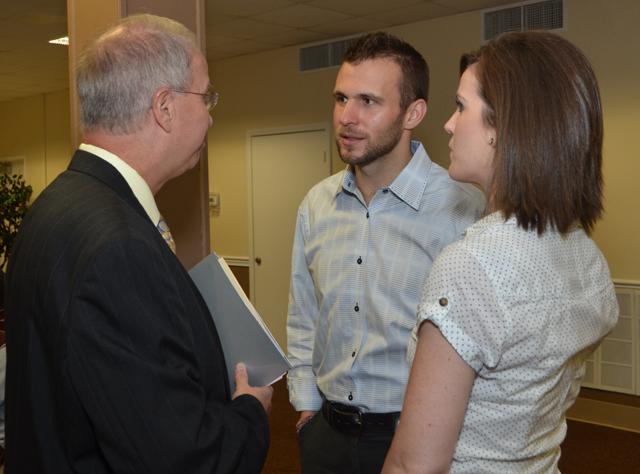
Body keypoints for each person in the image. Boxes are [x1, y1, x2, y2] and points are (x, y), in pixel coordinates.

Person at [5, 14, 272, 474]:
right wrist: (250, 410)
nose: (210, 114)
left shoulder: (55, 205)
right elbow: (180, 458)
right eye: (206, 96)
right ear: (164, 107)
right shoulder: (120, 248)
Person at [382, 31, 619, 474]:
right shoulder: (587, 258)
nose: (449, 124)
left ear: (502, 128)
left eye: (460, 106)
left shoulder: (472, 267)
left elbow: (415, 464)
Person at [286, 32, 485, 474]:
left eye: (368, 102)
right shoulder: (316, 205)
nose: (347, 117)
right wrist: (305, 406)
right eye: (341, 98)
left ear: (413, 112)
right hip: (326, 434)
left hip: (415, 440)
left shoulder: (461, 208)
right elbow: (304, 314)